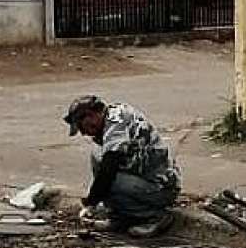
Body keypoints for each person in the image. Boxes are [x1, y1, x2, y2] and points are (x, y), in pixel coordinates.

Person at [64, 95, 181, 238]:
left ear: (91, 115)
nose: (84, 133)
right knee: (97, 156)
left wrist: (91, 203)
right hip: (140, 176)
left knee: (110, 180)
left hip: (160, 187)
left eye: (83, 126)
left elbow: (109, 169)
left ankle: (156, 217)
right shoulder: (110, 117)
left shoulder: (117, 123)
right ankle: (120, 218)